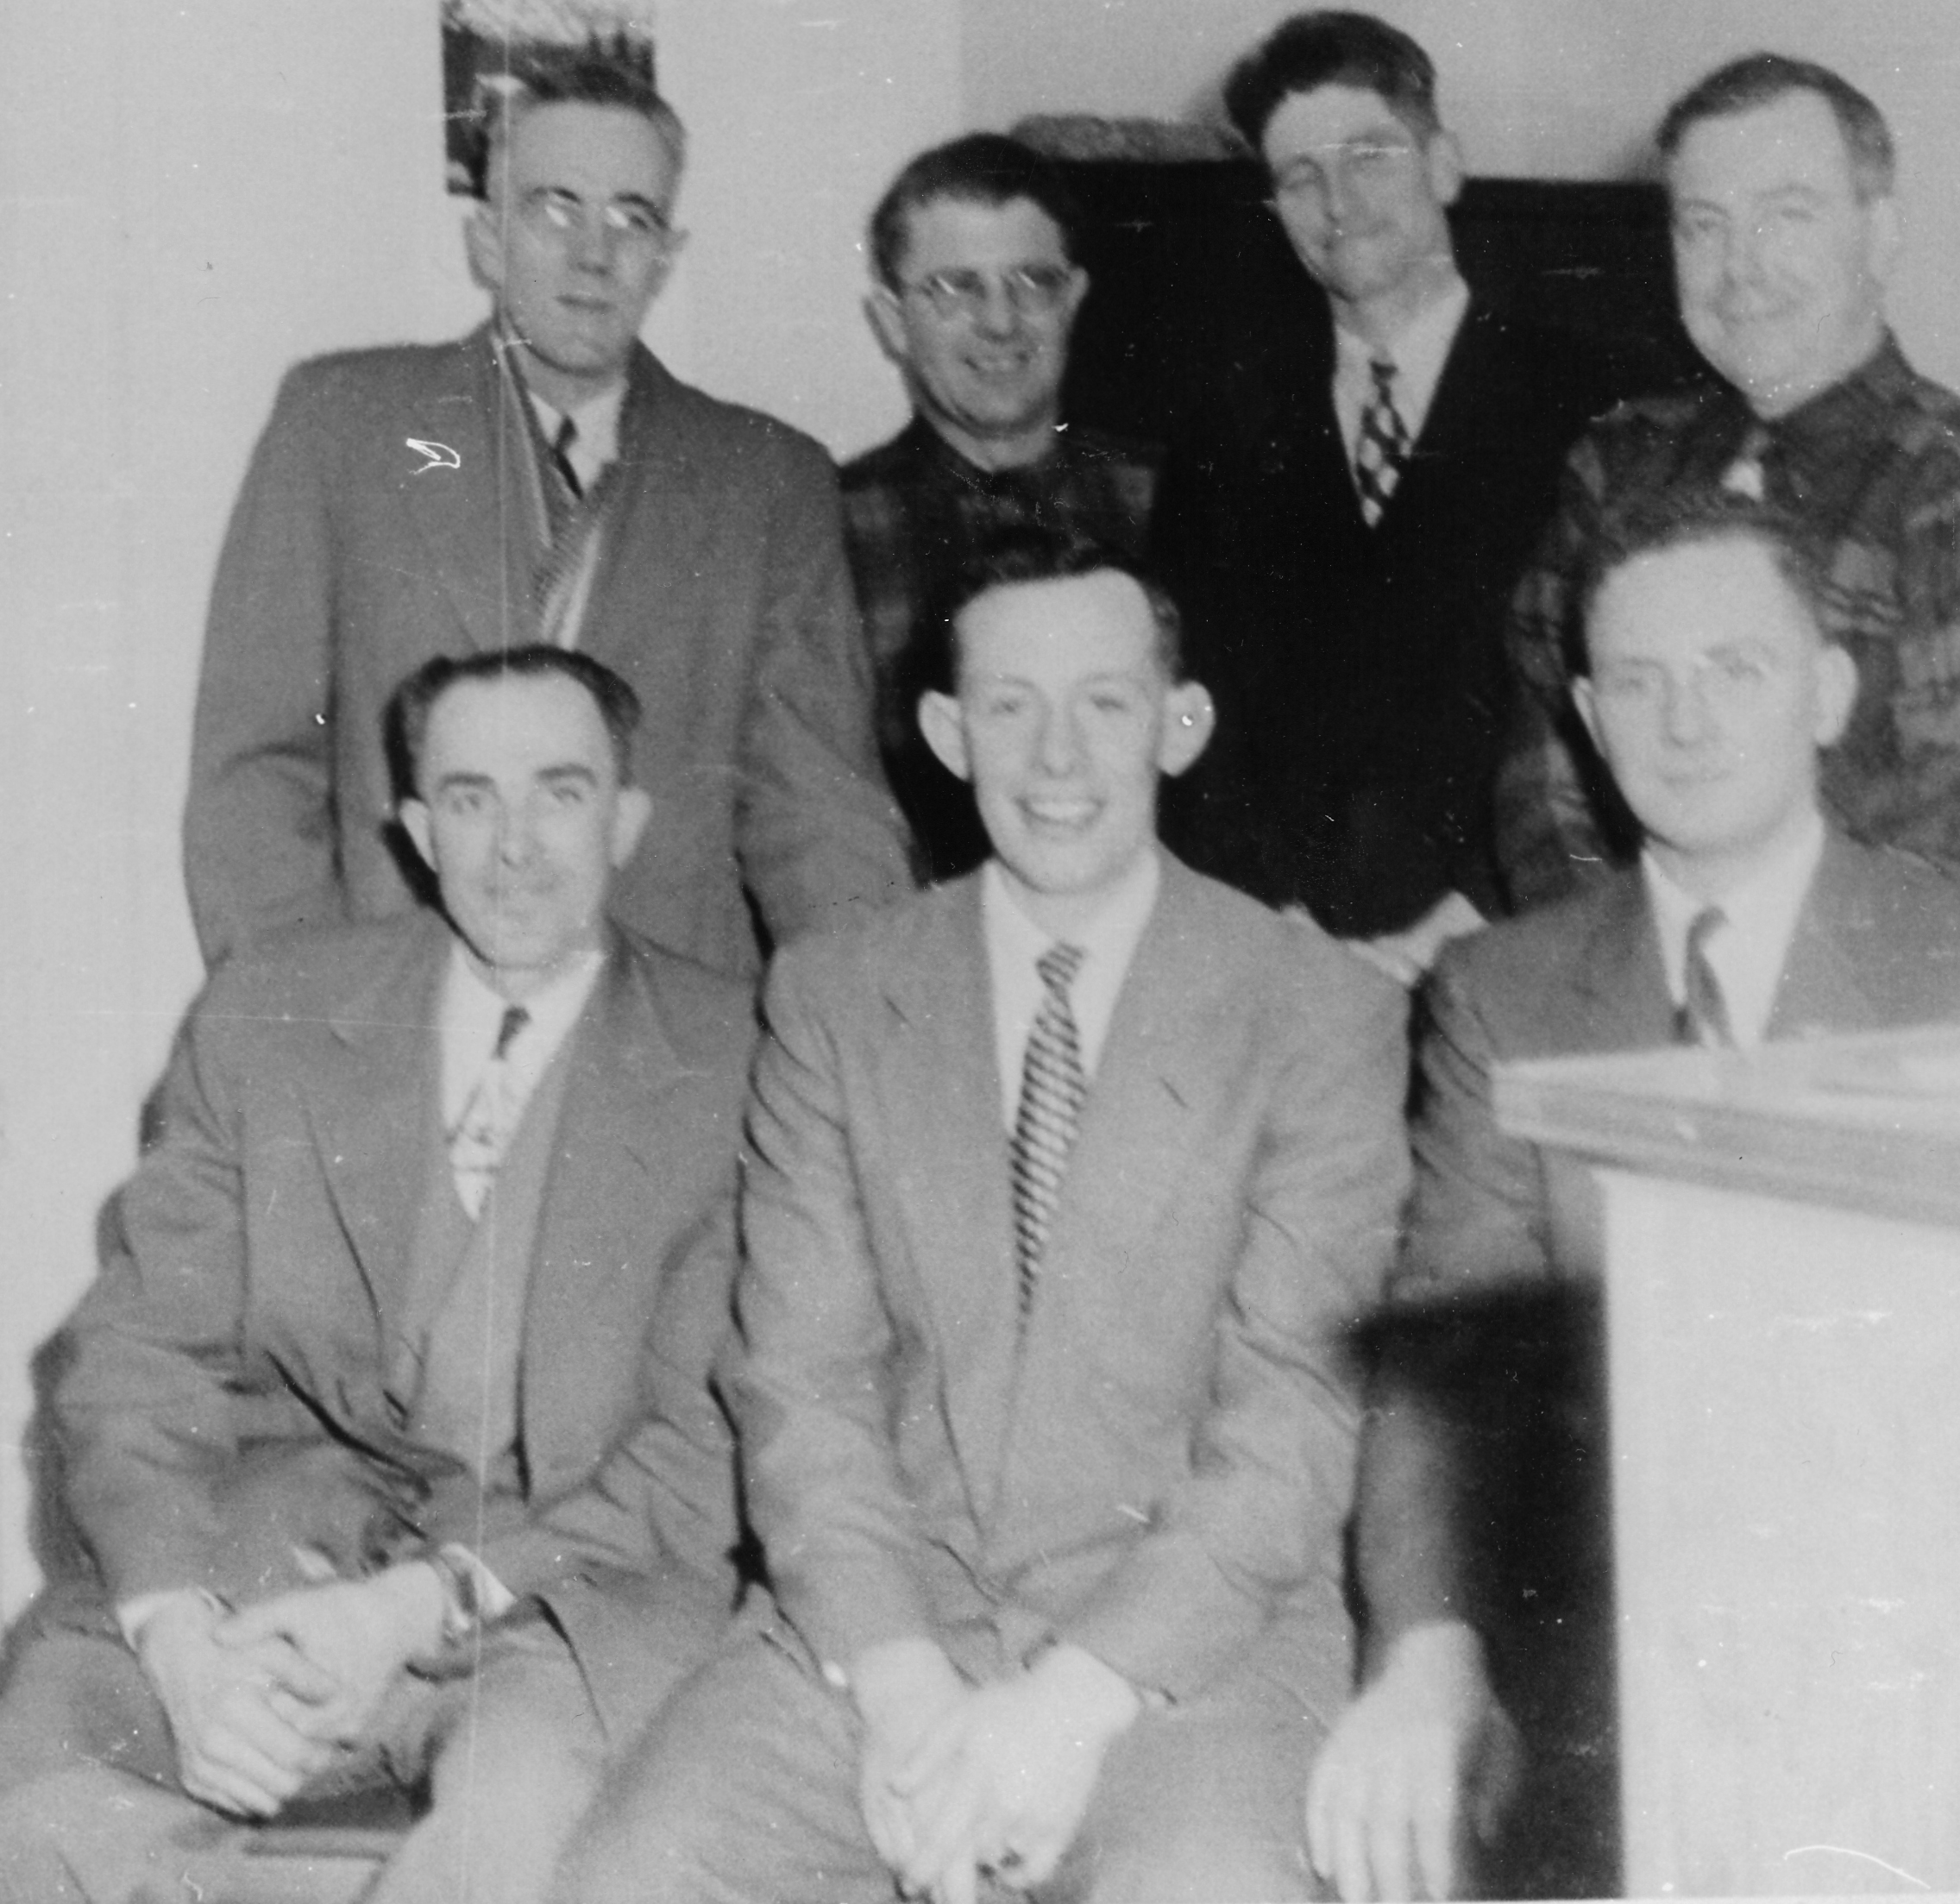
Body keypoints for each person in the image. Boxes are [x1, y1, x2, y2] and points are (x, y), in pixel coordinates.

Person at [554, 532, 1410, 1904]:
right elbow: (800, 1386)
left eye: (1105, 702)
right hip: (880, 1627)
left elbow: (1295, 1422)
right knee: (629, 1879)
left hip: (1194, 1653)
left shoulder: (1319, 1007)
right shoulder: (836, 997)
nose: (1057, 756)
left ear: (1180, 723)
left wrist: (1068, 1706)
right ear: (950, 735)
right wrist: (906, 1695)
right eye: (1012, 705)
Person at [0, 647, 756, 1904]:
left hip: (563, 1595)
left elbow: (702, 1447)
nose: (514, 845)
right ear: (416, 828)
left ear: (626, 820)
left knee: (524, 1828)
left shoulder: (746, 1054)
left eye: (560, 792)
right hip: (265, 1562)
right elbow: (134, 1355)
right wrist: (180, 1637)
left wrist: (412, 1607)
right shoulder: (273, 1011)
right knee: (33, 1784)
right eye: (469, 797)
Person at [1306, 493, 1960, 1902]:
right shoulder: (1505, 990)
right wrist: (1429, 1651)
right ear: (1592, 723)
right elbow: (1441, 1372)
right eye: (1642, 682)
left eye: (1735, 668)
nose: (1687, 721)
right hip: (1606, 1662)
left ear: (1828, 692)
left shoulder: (1946, 954)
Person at [185, 46, 910, 980]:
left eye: (632, 218)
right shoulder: (342, 426)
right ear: (487, 237)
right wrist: (310, 1021)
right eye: (554, 207)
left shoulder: (767, 480)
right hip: (399, 1020)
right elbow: (255, 774)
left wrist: (870, 1026)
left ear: (667, 258)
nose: (592, 254)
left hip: (665, 1033)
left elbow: (818, 813)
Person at [1151, 10, 1613, 977]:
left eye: (1369, 156)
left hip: (1519, 941)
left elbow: (1600, 703)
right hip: (1282, 961)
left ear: (1443, 164)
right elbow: (1190, 711)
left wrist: (1471, 918)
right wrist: (1275, 922)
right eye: (1299, 176)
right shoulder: (1220, 434)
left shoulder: (1593, 404)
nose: (1338, 203)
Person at [1498, 51, 1960, 909]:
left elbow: (1943, 841)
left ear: (1880, 233)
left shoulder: (1943, 479)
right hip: (1617, 970)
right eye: (1703, 226)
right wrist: (1622, 961)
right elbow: (1544, 772)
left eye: (1786, 215)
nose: (1739, 268)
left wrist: (1746, 967)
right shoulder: (1616, 460)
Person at [844, 132, 1158, 878]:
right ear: (892, 321)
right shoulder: (827, 531)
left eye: (1032, 282)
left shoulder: (1170, 500)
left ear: (1073, 300)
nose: (1000, 321)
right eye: (955, 288)